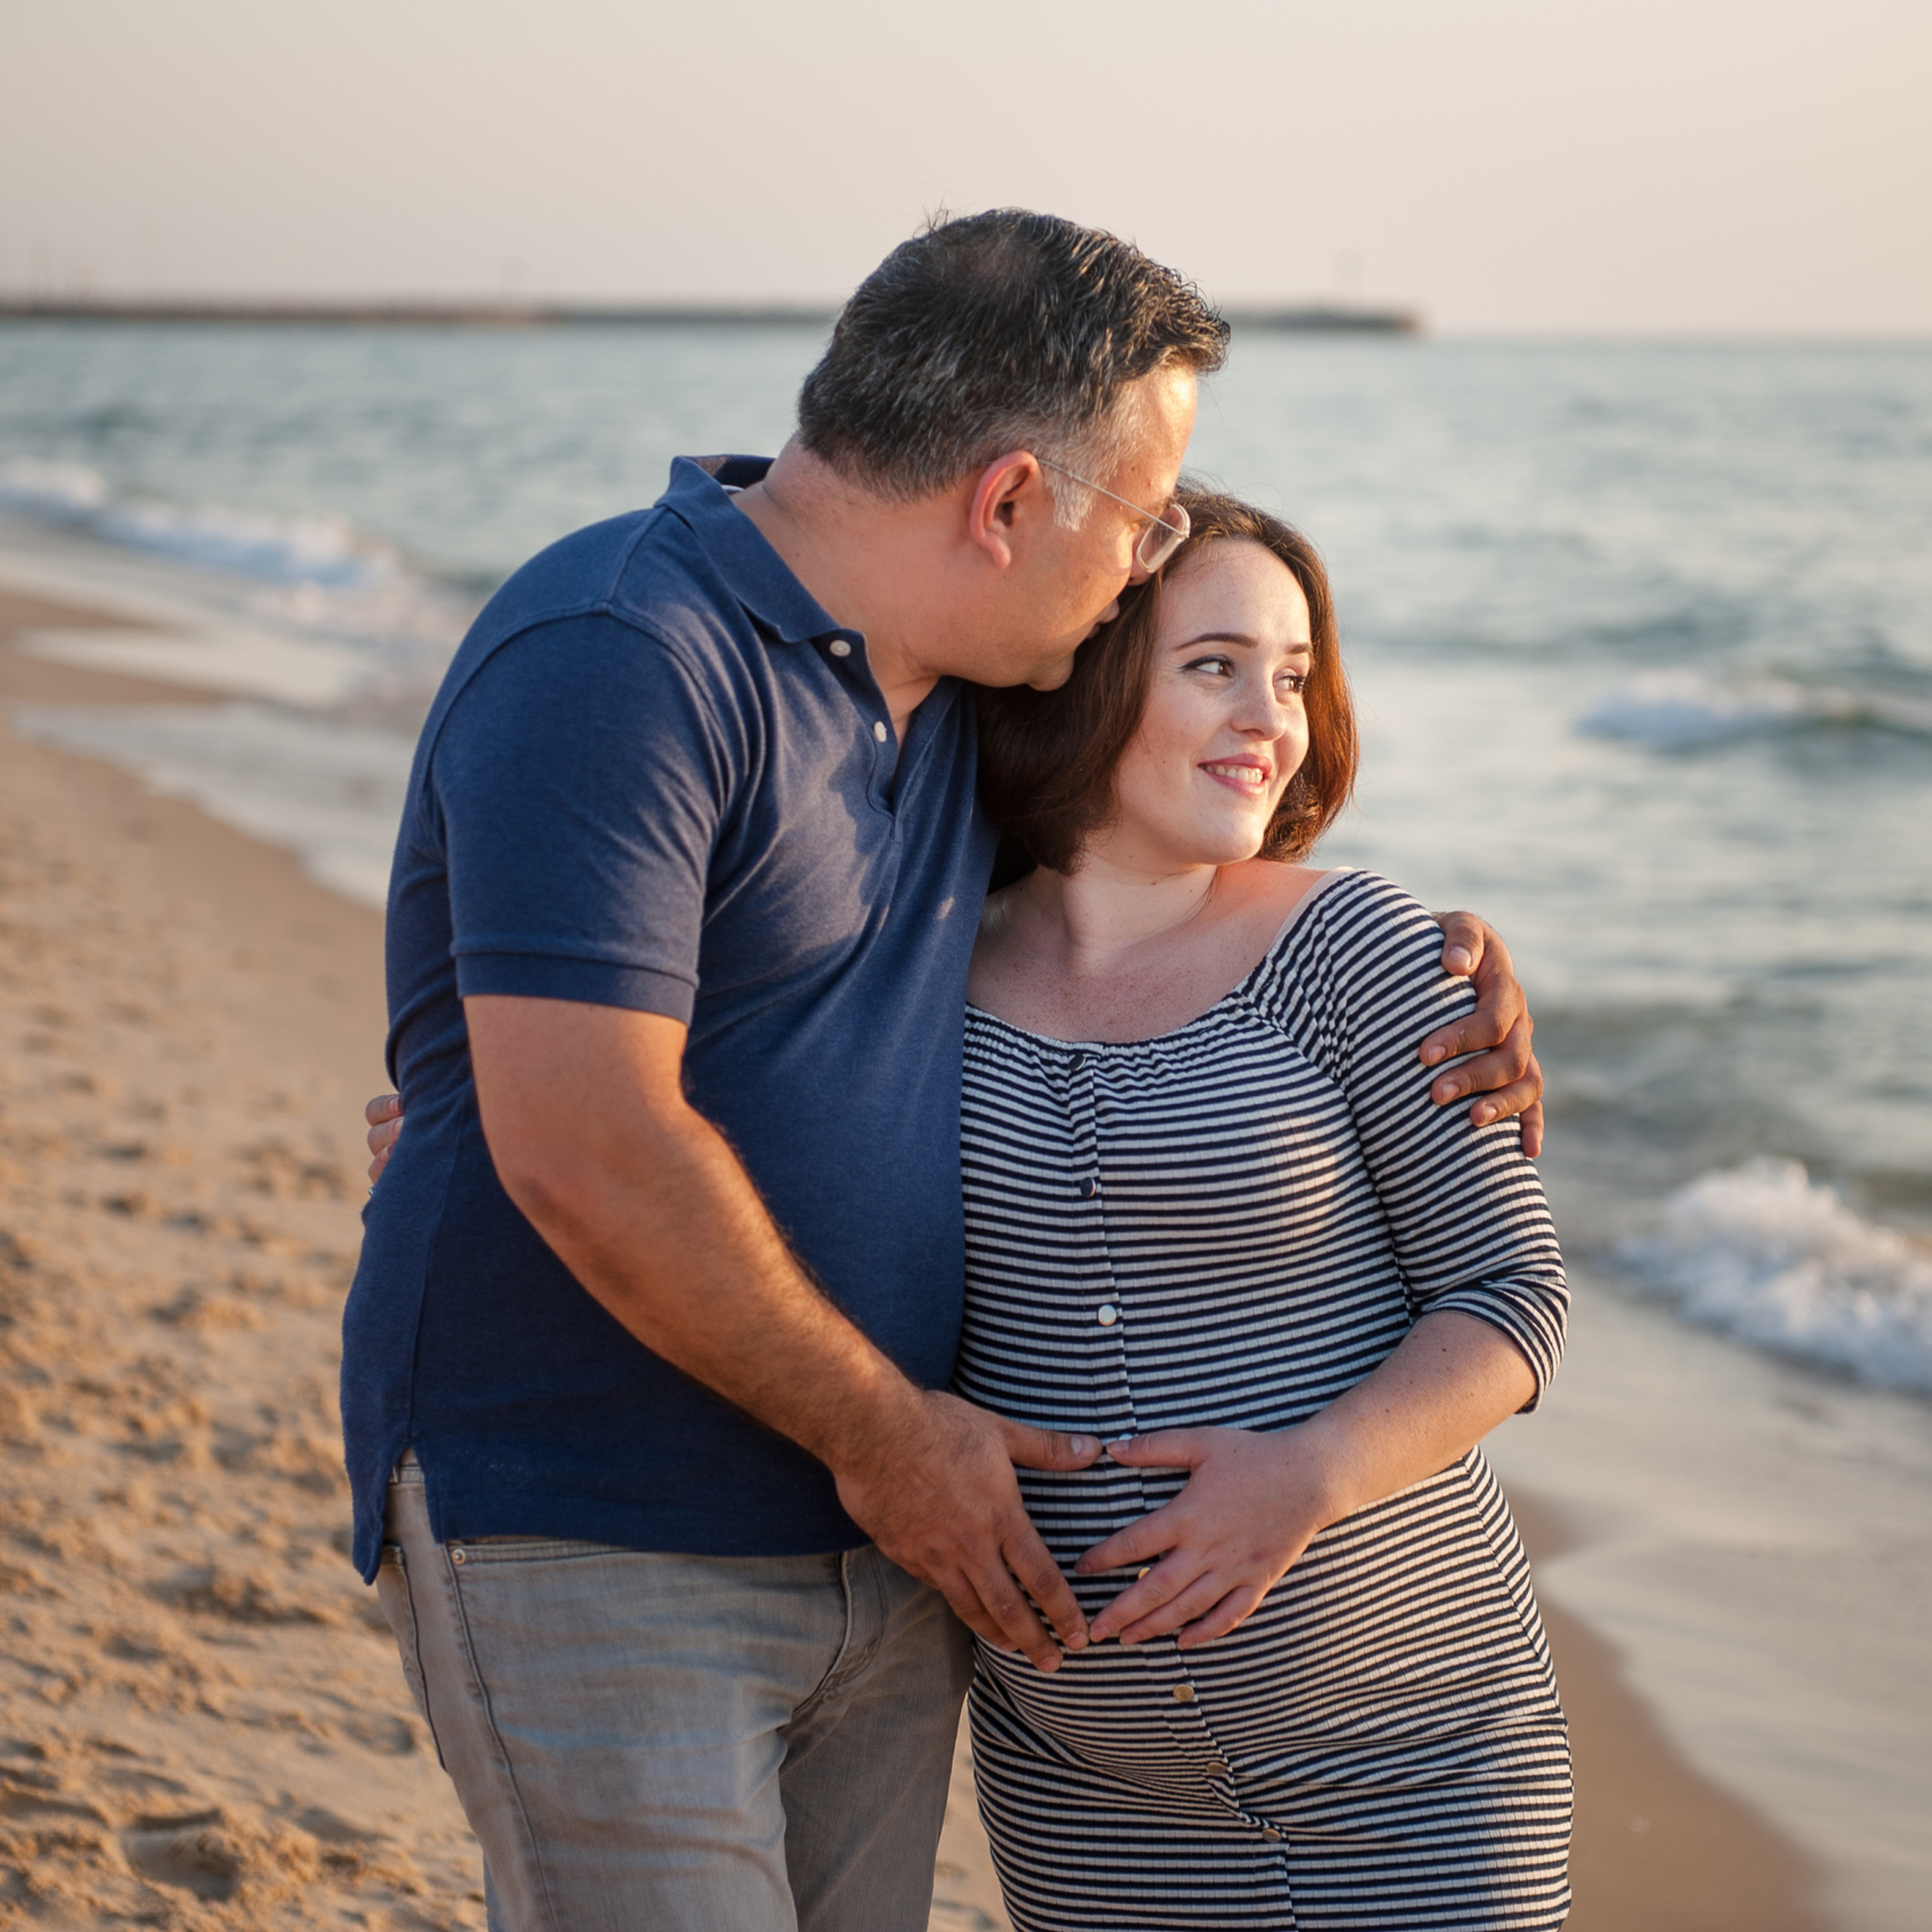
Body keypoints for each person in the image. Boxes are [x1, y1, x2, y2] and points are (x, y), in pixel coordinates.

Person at [350, 209, 1545, 1932]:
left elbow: (1143, 913)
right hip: (602, 1516)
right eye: (1138, 523)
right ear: (1004, 503)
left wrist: (1452, 961)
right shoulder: (621, 650)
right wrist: (887, 1433)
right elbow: (582, 1131)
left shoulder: (953, 722)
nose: (1142, 568)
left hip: (906, 1559)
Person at [958, 489, 1569, 1930]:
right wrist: (479, 1120)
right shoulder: (915, 975)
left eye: (1294, 677)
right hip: (1083, 1794)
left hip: (1418, 1762)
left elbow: (1513, 1302)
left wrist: (1309, 1473)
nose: (1269, 720)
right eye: (1215, 665)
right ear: (1087, 670)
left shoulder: (1357, 946)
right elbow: (697, 1139)